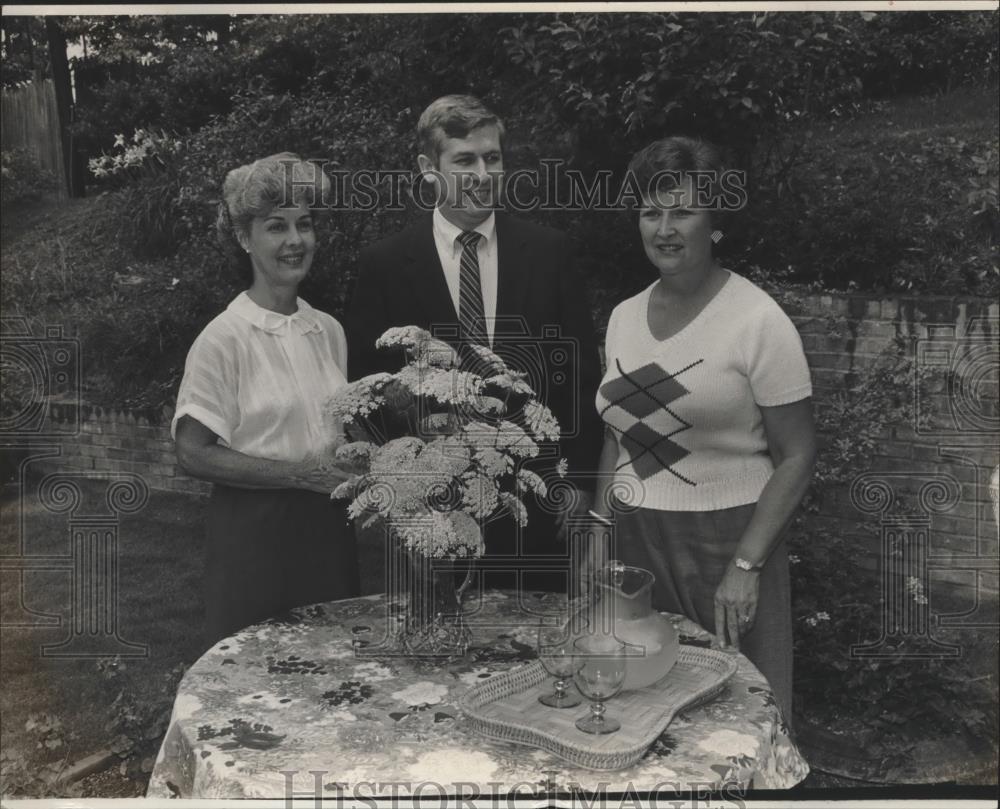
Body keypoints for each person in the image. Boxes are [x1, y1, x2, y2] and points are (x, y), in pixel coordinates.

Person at [589, 137, 816, 725]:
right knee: (638, 713)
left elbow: (797, 456)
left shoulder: (759, 320)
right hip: (635, 543)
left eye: (682, 211)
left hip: (730, 545)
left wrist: (746, 567)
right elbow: (617, 436)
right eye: (650, 212)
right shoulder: (621, 318)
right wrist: (596, 533)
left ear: (715, 222)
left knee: (739, 716)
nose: (665, 228)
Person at [346, 95, 604, 592]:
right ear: (429, 168)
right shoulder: (384, 265)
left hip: (540, 507)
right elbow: (366, 395)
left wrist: (579, 486)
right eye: (464, 160)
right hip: (432, 516)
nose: (482, 174)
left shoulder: (550, 254)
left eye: (493, 158)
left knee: (538, 654)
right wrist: (403, 505)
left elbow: (580, 379)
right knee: (434, 657)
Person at [173, 152, 359, 647]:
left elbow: (335, 433)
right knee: (254, 686)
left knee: (334, 678)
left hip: (328, 531)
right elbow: (192, 451)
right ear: (243, 238)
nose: (296, 241)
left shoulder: (329, 331)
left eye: (305, 224)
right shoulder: (224, 338)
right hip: (254, 534)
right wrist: (297, 474)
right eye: (276, 227)